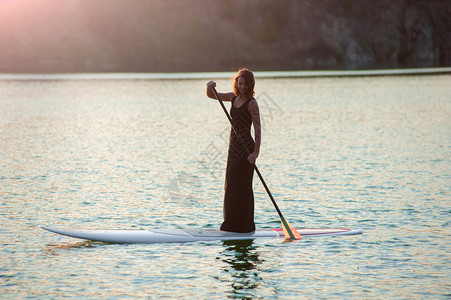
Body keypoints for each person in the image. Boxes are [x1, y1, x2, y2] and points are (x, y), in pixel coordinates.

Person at [206, 68, 261, 233]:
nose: (243, 87)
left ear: (250, 85)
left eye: (246, 84)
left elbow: (258, 131)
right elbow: (212, 95)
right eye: (240, 83)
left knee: (243, 188)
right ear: (237, 83)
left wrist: (255, 153)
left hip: (246, 151)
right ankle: (230, 226)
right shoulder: (232, 97)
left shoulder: (252, 104)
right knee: (230, 187)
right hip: (233, 149)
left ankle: (245, 228)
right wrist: (209, 87)